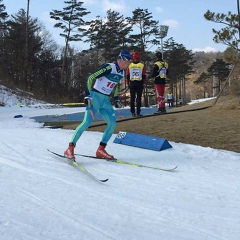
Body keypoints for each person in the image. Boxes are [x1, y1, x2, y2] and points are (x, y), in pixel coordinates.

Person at [64, 50, 132, 160]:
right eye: (128, 61)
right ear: (121, 60)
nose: (129, 64)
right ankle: (70, 148)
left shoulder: (121, 72)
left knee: (112, 124)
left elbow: (114, 86)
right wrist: (87, 95)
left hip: (105, 100)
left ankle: (101, 149)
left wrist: (115, 98)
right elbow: (91, 77)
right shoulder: (109, 67)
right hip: (95, 97)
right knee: (87, 122)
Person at [126, 51, 146, 117]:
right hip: (139, 83)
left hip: (132, 83)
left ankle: (132, 113)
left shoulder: (130, 65)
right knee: (138, 98)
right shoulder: (141, 65)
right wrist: (144, 83)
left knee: (132, 98)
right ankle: (138, 112)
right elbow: (143, 75)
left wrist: (127, 83)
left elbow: (128, 75)